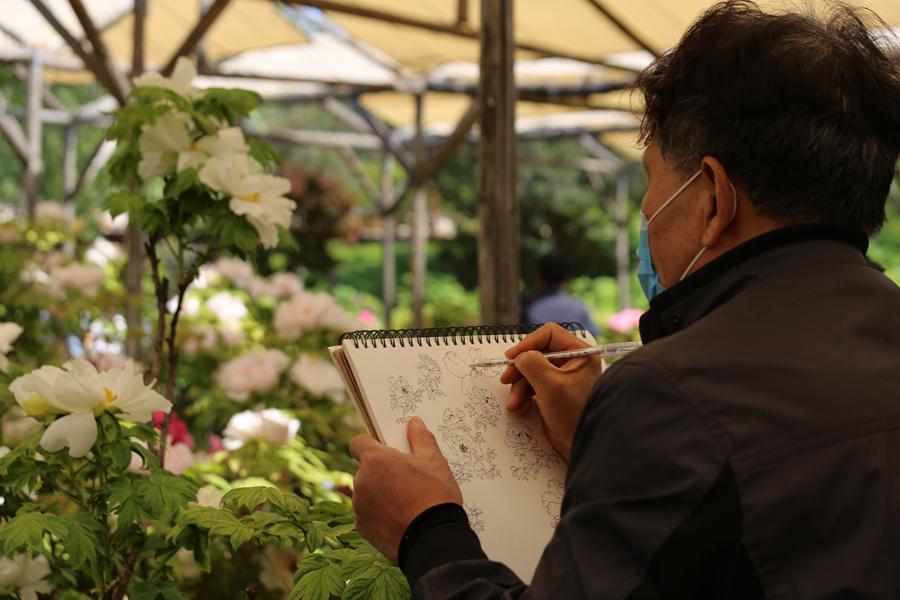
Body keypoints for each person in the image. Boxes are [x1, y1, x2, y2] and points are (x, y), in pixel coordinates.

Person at [348, 1, 900, 597]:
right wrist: (603, 438)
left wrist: (426, 532)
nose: (646, 211)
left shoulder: (671, 392)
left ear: (712, 199)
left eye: (652, 180)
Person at [521, 252, 600, 336]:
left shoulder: (533, 309)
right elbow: (593, 333)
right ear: (567, 277)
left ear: (538, 278)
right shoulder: (577, 306)